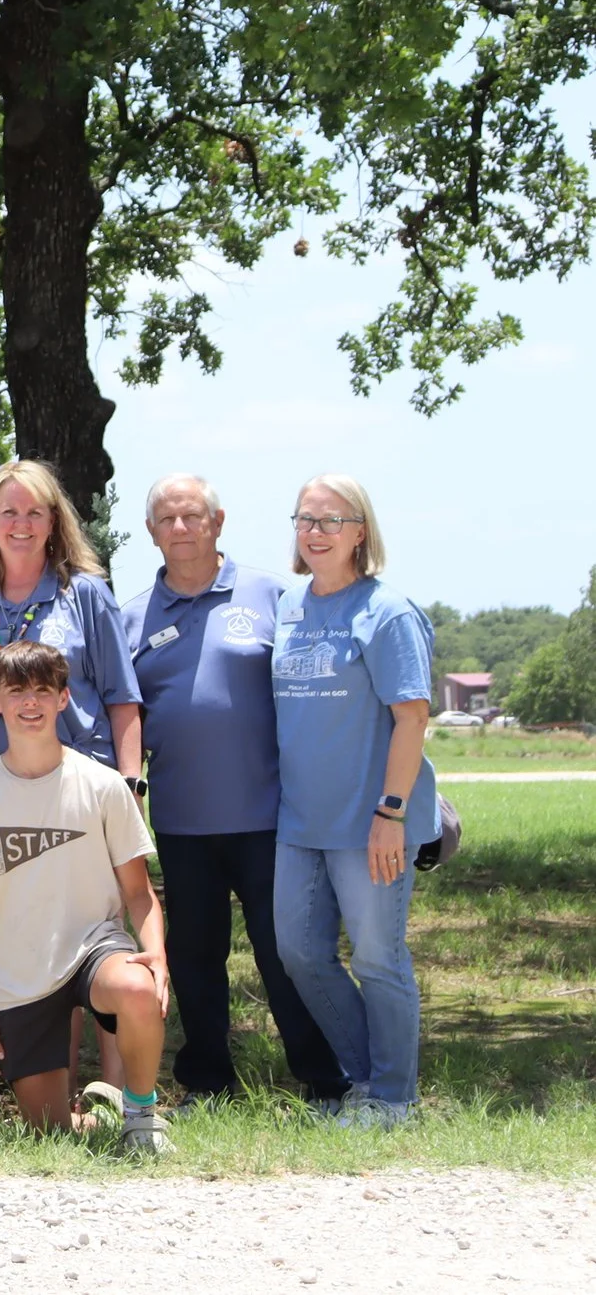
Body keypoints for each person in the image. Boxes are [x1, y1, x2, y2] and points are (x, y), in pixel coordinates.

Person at [121, 475, 347, 1109]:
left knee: (288, 953)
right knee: (195, 957)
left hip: (269, 816)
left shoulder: (275, 594)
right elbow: (123, 711)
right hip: (182, 819)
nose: (181, 529)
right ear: (151, 533)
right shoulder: (132, 616)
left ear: (218, 521)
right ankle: (209, 1081)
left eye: (193, 515)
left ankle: (324, 1078)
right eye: (167, 519)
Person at [0, 643, 172, 1155]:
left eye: (43, 690)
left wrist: (155, 954)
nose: (31, 702)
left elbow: (139, 893)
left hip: (94, 949)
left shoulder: (103, 786)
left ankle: (141, 1116)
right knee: (49, 1135)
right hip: (21, 977)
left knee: (138, 989)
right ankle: (97, 1115)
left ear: (63, 699)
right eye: (17, 691)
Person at [271, 475, 439, 1129]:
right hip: (300, 820)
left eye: (330, 520)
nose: (314, 531)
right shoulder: (290, 606)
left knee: (377, 956)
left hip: (372, 821)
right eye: (305, 519)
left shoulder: (387, 611)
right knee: (299, 952)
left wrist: (390, 812)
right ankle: (367, 1081)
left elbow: (412, 717)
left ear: (360, 531)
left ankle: (396, 1099)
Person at [0, 459, 142, 778]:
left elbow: (122, 699)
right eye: (9, 512)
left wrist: (131, 785)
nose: (22, 524)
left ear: (53, 522)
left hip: (82, 782)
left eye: (35, 513)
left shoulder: (86, 594)